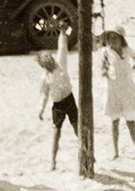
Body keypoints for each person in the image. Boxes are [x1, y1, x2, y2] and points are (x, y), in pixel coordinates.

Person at [100, 28, 135, 163]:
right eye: (110, 37)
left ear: (122, 38)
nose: (112, 40)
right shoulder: (105, 52)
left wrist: (131, 70)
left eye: (116, 37)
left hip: (127, 89)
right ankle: (115, 153)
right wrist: (105, 73)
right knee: (114, 122)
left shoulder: (127, 50)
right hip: (113, 90)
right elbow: (103, 69)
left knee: (131, 123)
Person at [37, 30, 77, 170]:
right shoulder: (45, 77)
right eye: (46, 62)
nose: (50, 62)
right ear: (43, 66)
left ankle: (88, 154)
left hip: (69, 99)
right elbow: (44, 95)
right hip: (58, 104)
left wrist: (62, 33)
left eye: (50, 59)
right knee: (56, 133)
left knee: (77, 128)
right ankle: (53, 161)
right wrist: (41, 110)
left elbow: (62, 49)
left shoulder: (61, 64)